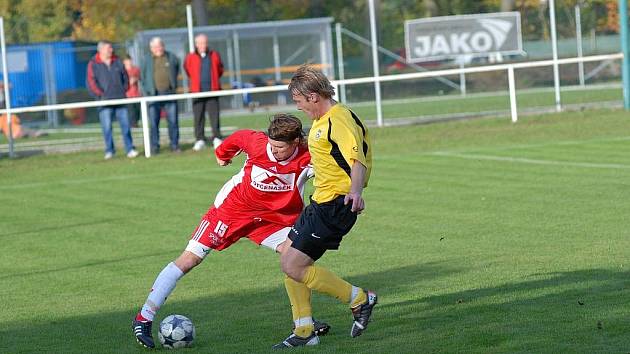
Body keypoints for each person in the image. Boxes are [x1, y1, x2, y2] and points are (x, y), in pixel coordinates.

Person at [132, 113, 331, 349]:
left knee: (296, 259)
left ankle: (304, 322)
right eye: (272, 145)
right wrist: (222, 157)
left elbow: (335, 174)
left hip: (274, 220)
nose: (275, 151)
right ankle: (143, 318)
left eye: (280, 148)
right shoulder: (256, 143)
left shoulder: (310, 155)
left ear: (296, 142)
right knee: (189, 260)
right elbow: (235, 140)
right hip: (231, 212)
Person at [273, 65, 376, 348]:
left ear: (314, 96)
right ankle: (304, 331)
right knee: (289, 261)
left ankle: (359, 299)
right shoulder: (324, 120)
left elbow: (356, 159)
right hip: (320, 202)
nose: (300, 107)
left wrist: (355, 191)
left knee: (293, 264)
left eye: (300, 102)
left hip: (336, 204)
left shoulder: (338, 119)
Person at [87, 40, 139, 160]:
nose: (111, 50)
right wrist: (101, 95)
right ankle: (110, 151)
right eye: (108, 48)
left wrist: (124, 89)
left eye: (111, 48)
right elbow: (91, 82)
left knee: (126, 126)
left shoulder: (117, 61)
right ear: (101, 50)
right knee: (107, 127)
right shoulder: (93, 63)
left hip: (120, 99)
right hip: (104, 102)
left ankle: (130, 149)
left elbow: (125, 77)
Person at [184, 34, 224, 152]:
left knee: (214, 116)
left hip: (212, 91)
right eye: (200, 43)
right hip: (197, 92)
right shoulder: (190, 57)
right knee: (198, 117)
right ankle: (200, 139)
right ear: (196, 44)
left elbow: (220, 69)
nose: (203, 45)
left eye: (204, 43)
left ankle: (217, 138)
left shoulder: (214, 55)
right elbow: (187, 70)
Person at [141, 37, 181, 153]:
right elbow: (142, 78)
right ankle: (154, 147)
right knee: (153, 123)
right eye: (156, 46)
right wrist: (147, 92)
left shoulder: (171, 57)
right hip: (153, 95)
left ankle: (174, 145)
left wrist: (173, 85)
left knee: (173, 121)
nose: (158, 48)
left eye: (160, 46)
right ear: (151, 48)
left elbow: (176, 68)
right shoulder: (146, 60)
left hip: (169, 93)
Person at [123, 55, 141, 127]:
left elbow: (140, 77)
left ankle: (135, 123)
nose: (129, 62)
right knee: (131, 111)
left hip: (136, 94)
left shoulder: (136, 69)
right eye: (127, 61)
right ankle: (133, 124)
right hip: (127, 95)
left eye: (130, 61)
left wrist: (135, 79)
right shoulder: (122, 70)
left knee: (137, 110)